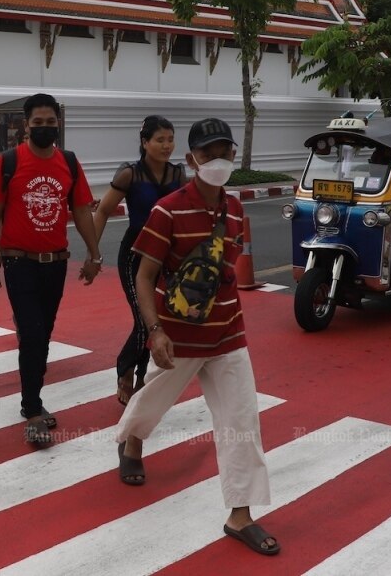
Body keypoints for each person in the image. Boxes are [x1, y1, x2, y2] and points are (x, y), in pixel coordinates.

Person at [115, 117, 279, 557]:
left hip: (227, 334)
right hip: (179, 334)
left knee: (242, 422)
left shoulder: (237, 209)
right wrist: (155, 330)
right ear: (192, 160)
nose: (218, 160)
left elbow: (228, 269)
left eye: (224, 151)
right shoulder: (167, 210)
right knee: (153, 399)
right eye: (208, 153)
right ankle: (132, 440)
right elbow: (145, 275)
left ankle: (240, 514)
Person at [0, 93, 102, 447]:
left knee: (42, 333)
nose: (45, 128)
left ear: (58, 123)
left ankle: (33, 395)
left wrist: (94, 256)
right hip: (19, 262)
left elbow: (80, 211)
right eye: (38, 123)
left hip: (56, 263)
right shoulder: (8, 162)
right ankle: (32, 407)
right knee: (33, 334)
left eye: (51, 122)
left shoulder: (69, 162)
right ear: (26, 124)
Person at [92, 115, 185, 406]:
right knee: (146, 320)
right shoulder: (130, 174)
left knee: (157, 320)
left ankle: (141, 372)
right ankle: (127, 369)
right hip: (135, 255)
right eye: (160, 139)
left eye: (170, 139)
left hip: (167, 258)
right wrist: (93, 254)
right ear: (145, 142)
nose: (166, 145)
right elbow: (104, 210)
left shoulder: (178, 174)